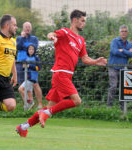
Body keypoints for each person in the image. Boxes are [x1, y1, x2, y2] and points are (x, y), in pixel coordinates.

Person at [15, 9, 107, 137]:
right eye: (82, 21)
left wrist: (96, 61)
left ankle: (23, 127)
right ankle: (46, 114)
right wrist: (52, 36)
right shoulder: (64, 32)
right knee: (76, 101)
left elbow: (85, 58)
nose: (84, 23)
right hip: (60, 74)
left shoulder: (81, 40)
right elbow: (51, 34)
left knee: (48, 108)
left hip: (67, 76)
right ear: (75, 20)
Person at [107, 25, 132, 110]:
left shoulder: (129, 43)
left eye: (125, 31)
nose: (124, 33)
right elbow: (114, 51)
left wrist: (122, 50)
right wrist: (127, 52)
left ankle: (122, 109)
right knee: (113, 87)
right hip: (113, 67)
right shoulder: (114, 41)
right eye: (122, 31)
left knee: (123, 89)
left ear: (127, 33)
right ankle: (109, 107)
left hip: (123, 68)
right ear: (119, 32)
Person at [16, 22, 43, 108]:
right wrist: (22, 39)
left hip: (31, 62)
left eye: (29, 27)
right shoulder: (19, 38)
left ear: (31, 28)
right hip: (20, 63)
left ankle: (40, 104)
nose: (27, 28)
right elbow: (18, 47)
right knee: (22, 85)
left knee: (35, 84)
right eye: (26, 27)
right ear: (23, 28)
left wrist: (26, 47)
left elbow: (33, 48)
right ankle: (29, 103)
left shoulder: (34, 38)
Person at [0, 14, 18, 112]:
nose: (16, 27)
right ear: (7, 25)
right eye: (14, 25)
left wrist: (15, 74)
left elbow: (11, 58)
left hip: (5, 78)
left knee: (11, 106)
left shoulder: (13, 41)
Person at [18, 44, 41, 111]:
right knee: (29, 92)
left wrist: (29, 66)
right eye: (29, 49)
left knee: (20, 89)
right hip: (26, 77)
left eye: (32, 49)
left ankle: (29, 102)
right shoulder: (26, 58)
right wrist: (23, 67)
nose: (31, 50)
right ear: (27, 50)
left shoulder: (36, 58)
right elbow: (24, 68)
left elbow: (39, 68)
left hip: (32, 78)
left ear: (34, 50)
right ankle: (30, 110)